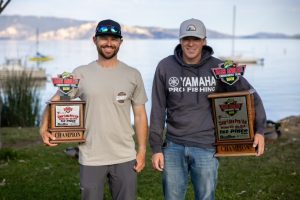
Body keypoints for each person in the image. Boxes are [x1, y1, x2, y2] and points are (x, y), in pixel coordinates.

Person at [149, 18, 266, 200]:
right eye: (186, 38)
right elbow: (157, 109)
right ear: (180, 40)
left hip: (206, 147)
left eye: (196, 39)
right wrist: (156, 148)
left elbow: (251, 95)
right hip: (173, 146)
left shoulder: (219, 67)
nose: (190, 43)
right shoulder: (165, 66)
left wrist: (259, 130)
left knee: (205, 197)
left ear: (204, 41)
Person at [40, 19, 148, 200]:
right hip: (91, 156)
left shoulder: (133, 74)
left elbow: (140, 115)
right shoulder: (81, 73)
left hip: (124, 155)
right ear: (94, 40)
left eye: (114, 39)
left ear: (120, 42)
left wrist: (142, 150)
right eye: (104, 38)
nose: (109, 43)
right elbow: (56, 101)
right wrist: (43, 127)